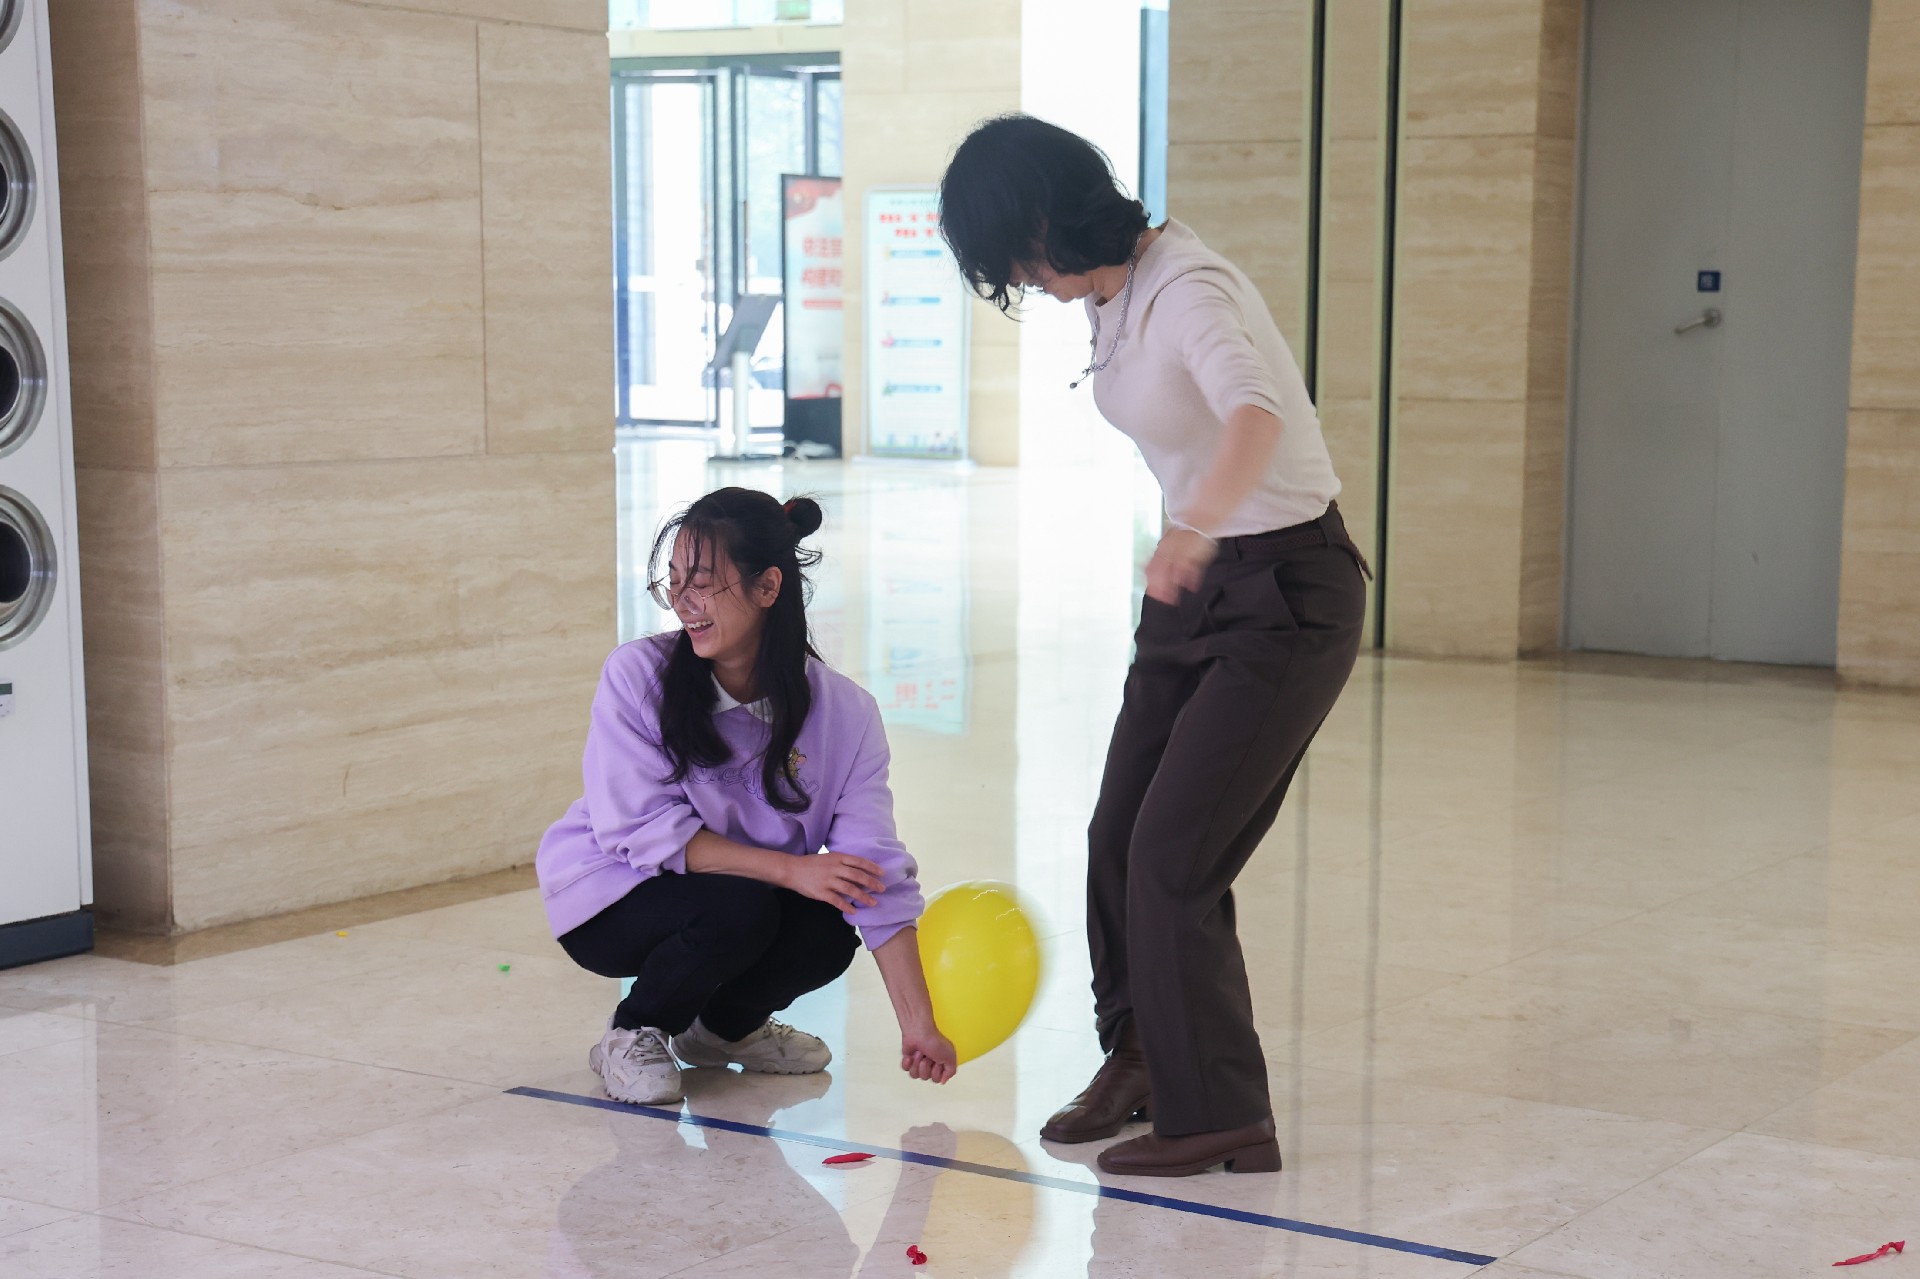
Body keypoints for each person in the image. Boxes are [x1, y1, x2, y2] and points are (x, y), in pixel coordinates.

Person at [939, 115, 1368, 1177]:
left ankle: (1222, 1113)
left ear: (1050, 217)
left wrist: (1194, 526)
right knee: (1117, 834)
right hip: (1198, 592)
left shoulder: (1187, 287)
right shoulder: (1110, 291)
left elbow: (1256, 413)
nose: (1021, 280)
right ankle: (1141, 1054)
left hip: (1284, 590)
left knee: (1175, 856)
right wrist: (1192, 543)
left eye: (1016, 256)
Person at [536, 487, 958, 1106]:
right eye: (674, 581)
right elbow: (637, 830)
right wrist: (790, 870)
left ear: (768, 588)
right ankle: (633, 1031)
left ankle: (724, 1031)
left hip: (739, 896)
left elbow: (874, 872)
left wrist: (919, 1025)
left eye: (703, 583)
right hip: (611, 891)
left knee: (830, 921)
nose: (683, 601)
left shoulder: (847, 714)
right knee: (743, 908)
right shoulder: (638, 676)